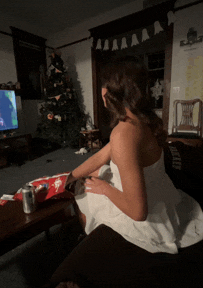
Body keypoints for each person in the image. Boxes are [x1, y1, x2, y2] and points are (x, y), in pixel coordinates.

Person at [66, 55, 203, 254]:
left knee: (83, 191)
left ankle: (90, 238)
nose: (101, 90)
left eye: (104, 85)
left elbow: (138, 212)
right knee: (94, 171)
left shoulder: (123, 133)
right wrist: (71, 174)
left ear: (112, 92)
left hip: (148, 223)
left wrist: (104, 188)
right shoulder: (141, 119)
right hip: (160, 198)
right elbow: (100, 156)